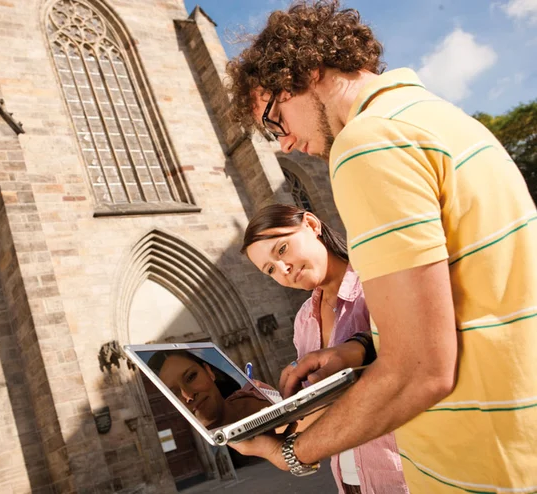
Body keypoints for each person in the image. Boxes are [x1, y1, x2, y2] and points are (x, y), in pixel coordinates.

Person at [224, 1, 537, 492]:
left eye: (274, 117)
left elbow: (419, 371)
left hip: (478, 463)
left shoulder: (366, 143)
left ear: (306, 70)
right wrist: (355, 353)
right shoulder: (436, 116)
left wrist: (289, 453)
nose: (282, 143)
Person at [240, 203, 408, 494]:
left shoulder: (376, 279)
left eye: (281, 250)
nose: (283, 269)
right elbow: (317, 412)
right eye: (270, 270)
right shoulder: (304, 320)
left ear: (311, 225)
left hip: (403, 473)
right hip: (350, 480)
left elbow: (411, 361)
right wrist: (272, 409)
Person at [147, 350, 270, 429]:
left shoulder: (259, 403)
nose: (188, 395)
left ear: (209, 372)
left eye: (191, 377)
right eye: (173, 393)